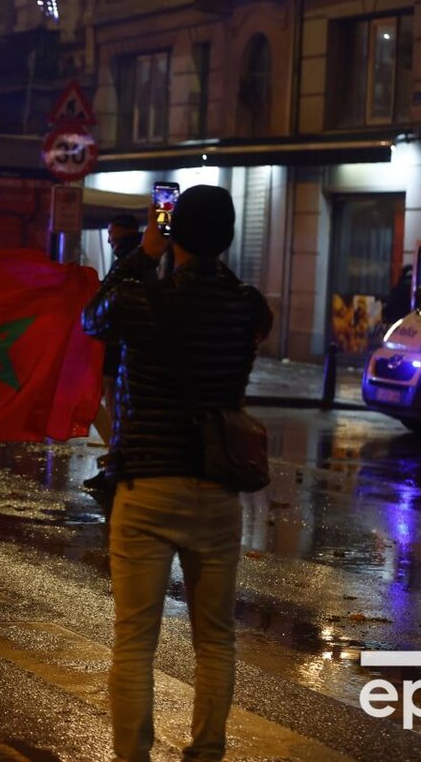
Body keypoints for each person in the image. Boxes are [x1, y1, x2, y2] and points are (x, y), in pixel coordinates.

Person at [81, 185, 273, 762]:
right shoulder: (249, 306)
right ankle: (206, 750)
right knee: (215, 637)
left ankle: (132, 755)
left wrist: (142, 252)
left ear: (173, 232)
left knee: (135, 640)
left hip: (146, 485)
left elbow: (92, 318)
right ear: (230, 237)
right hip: (217, 487)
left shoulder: (144, 299)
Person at [84, 213, 143, 493]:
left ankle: (117, 470)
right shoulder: (138, 259)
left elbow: (107, 302)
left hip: (120, 351)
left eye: (111, 232)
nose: (108, 239)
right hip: (121, 350)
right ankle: (115, 467)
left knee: (117, 411)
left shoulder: (132, 262)